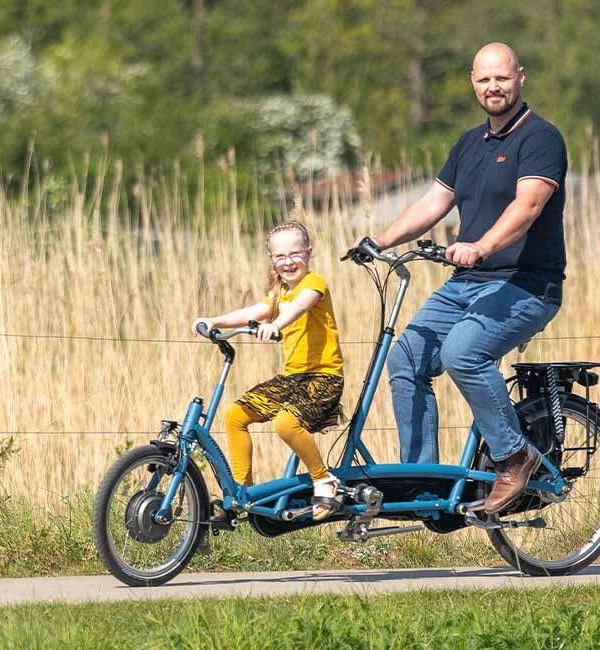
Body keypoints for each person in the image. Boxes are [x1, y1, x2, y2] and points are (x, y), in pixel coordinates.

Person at [367, 43, 567, 515]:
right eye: (483, 80)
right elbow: (433, 203)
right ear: (472, 83)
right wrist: (379, 241)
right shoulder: (468, 144)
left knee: (462, 353)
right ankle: (423, 483)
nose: (493, 87)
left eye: (502, 78)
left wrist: (481, 246)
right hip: (467, 283)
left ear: (520, 77)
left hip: (524, 283)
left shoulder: (540, 138)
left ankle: (514, 455)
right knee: (405, 359)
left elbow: (528, 206)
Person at [195, 220, 345, 520]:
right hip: (292, 379)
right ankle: (241, 492)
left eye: (295, 253)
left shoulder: (313, 284)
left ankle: (323, 479)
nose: (288, 262)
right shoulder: (279, 292)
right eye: (280, 256)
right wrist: (214, 321)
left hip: (323, 377)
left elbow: (300, 306)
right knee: (235, 415)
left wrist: (275, 325)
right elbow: (254, 312)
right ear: (271, 260)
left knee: (285, 424)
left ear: (309, 253)